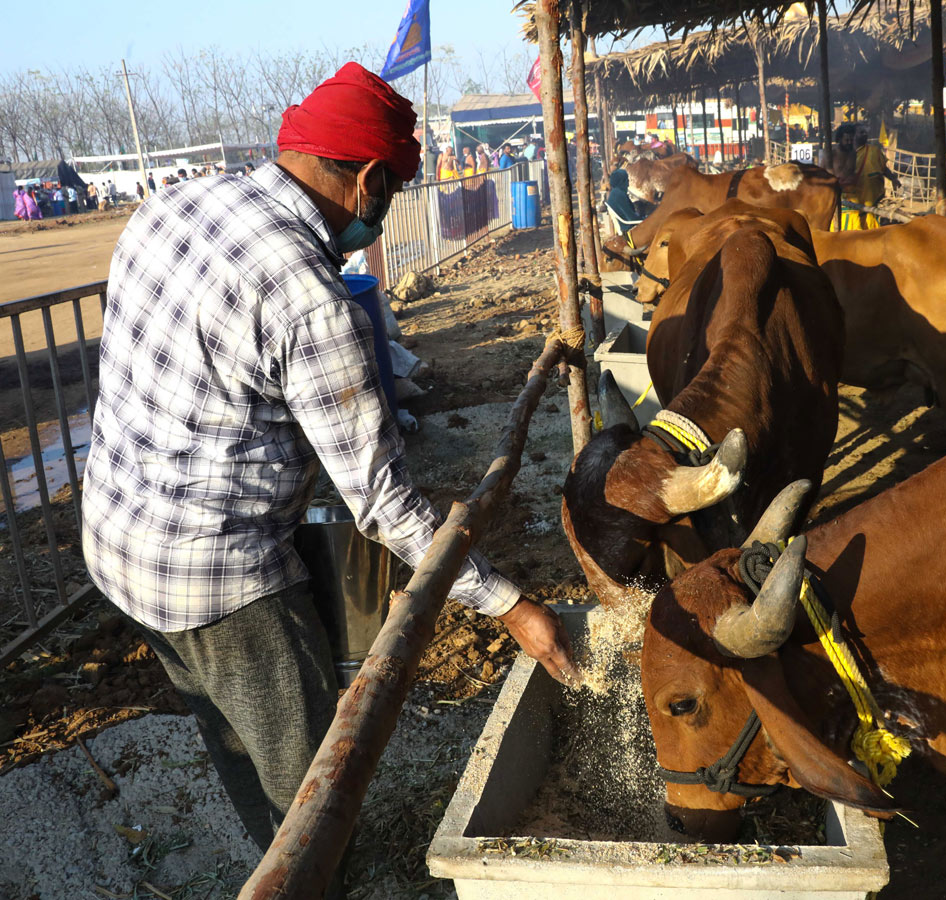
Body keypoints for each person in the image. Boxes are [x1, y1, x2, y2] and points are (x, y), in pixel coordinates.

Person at [80, 61, 578, 893]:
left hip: (116, 543)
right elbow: (386, 508)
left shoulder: (175, 205)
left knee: (230, 733)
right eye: (386, 199)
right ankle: (308, 877)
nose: (378, 221)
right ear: (369, 181)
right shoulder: (312, 300)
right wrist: (514, 607)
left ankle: (271, 857)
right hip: (218, 579)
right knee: (312, 780)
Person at [604, 168, 647, 234]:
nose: (628, 184)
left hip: (629, 226)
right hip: (630, 229)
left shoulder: (615, 192)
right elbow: (632, 218)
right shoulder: (619, 195)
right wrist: (646, 219)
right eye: (626, 180)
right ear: (621, 182)